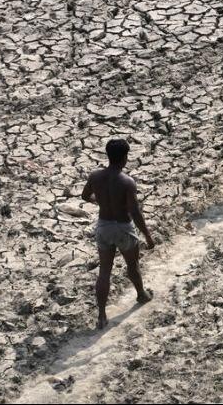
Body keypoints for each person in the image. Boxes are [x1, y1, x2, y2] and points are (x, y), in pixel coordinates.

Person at [81, 139, 154, 329]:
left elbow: (84, 196)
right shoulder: (127, 182)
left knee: (104, 271)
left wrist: (101, 202)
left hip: (103, 226)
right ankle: (141, 294)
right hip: (123, 227)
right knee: (132, 264)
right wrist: (147, 235)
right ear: (124, 157)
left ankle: (102, 315)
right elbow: (135, 212)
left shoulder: (95, 176)